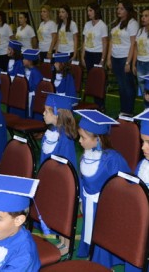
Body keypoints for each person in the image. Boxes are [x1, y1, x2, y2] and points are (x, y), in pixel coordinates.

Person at [74, 109, 131, 260]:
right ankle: (90, 251)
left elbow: (126, 183)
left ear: (97, 139)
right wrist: (81, 198)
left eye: (83, 137)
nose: (79, 141)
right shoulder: (86, 155)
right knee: (90, 229)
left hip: (104, 206)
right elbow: (82, 179)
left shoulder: (112, 159)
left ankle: (103, 261)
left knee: (103, 234)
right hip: (88, 203)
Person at [107, 0, 139, 117]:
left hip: (125, 58)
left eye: (121, 9)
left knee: (128, 86)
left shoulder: (132, 23)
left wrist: (128, 62)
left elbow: (133, 44)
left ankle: (128, 111)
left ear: (127, 10)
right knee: (121, 86)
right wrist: (109, 58)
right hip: (116, 58)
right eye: (117, 8)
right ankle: (123, 110)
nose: (118, 11)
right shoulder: (118, 23)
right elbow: (112, 41)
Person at [40, 93, 78, 168]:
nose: (43, 113)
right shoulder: (48, 134)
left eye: (46, 111)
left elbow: (67, 168)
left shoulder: (65, 139)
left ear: (56, 114)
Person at [81, 3, 108, 72]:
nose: (88, 13)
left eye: (90, 10)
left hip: (97, 54)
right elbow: (85, 41)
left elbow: (105, 44)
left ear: (96, 11)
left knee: (97, 76)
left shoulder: (102, 26)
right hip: (88, 54)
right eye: (87, 11)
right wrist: (82, 56)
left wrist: (102, 60)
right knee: (89, 75)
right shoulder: (87, 24)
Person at [133, 7, 149, 97]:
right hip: (140, 64)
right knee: (143, 89)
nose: (143, 18)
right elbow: (136, 48)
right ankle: (146, 109)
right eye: (142, 16)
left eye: (146, 16)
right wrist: (134, 64)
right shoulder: (140, 31)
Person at [22, 48, 43, 119]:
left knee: (31, 111)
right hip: (27, 93)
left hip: (33, 96)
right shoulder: (25, 69)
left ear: (30, 61)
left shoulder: (36, 72)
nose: (23, 60)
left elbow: (37, 86)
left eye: (25, 59)